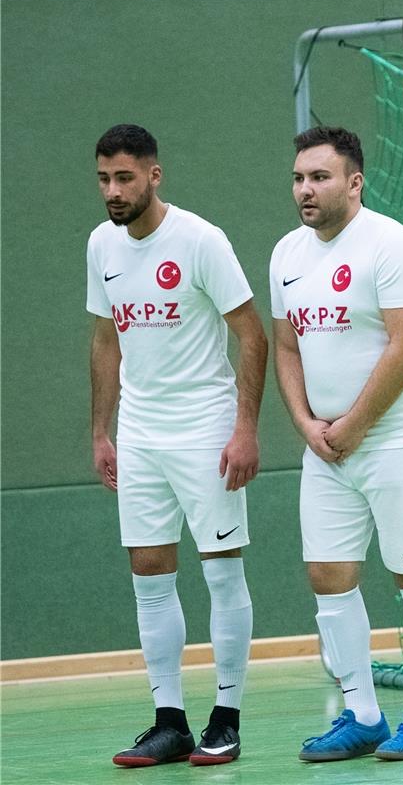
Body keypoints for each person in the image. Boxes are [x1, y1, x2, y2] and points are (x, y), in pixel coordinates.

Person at [87, 124, 268, 766]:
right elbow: (107, 340)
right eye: (105, 178)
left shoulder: (199, 240)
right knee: (149, 575)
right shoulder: (100, 245)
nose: (113, 190)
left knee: (222, 573)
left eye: (125, 177)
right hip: (139, 435)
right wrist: (103, 432)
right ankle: (170, 721)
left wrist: (244, 428)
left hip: (205, 429)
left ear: (154, 175)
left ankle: (227, 716)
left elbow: (251, 334)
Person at [271, 126, 403, 762]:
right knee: (327, 574)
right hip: (326, 449)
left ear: (354, 181)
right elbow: (287, 344)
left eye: (319, 177)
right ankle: (363, 712)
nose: (305, 189)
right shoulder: (287, 254)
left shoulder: (391, 243)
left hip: (399, 437)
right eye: (298, 177)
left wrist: (354, 424)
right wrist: (305, 423)